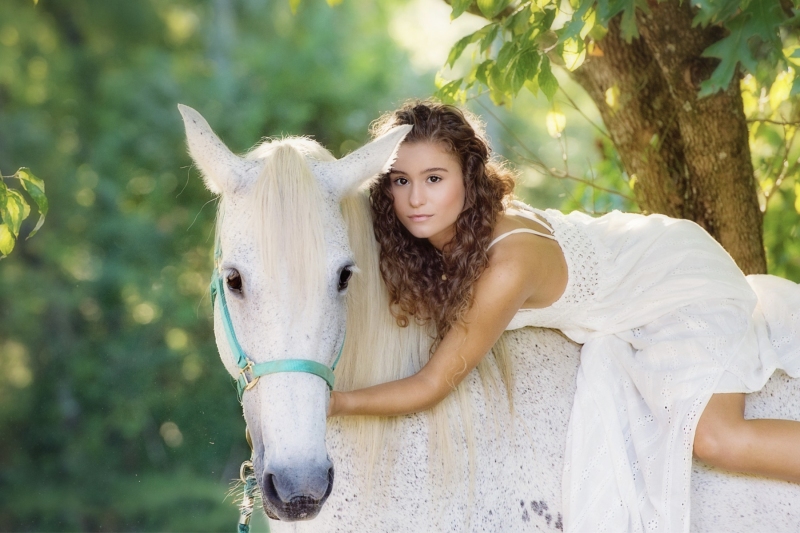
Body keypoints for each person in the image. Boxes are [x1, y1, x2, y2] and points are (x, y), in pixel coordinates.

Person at [327, 101, 800, 531]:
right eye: (400, 180)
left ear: (468, 179)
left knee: (717, 439)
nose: (414, 199)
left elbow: (433, 384)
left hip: (678, 284)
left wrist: (338, 402)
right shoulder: (435, 234)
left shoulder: (508, 265)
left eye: (434, 178)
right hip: (636, 260)